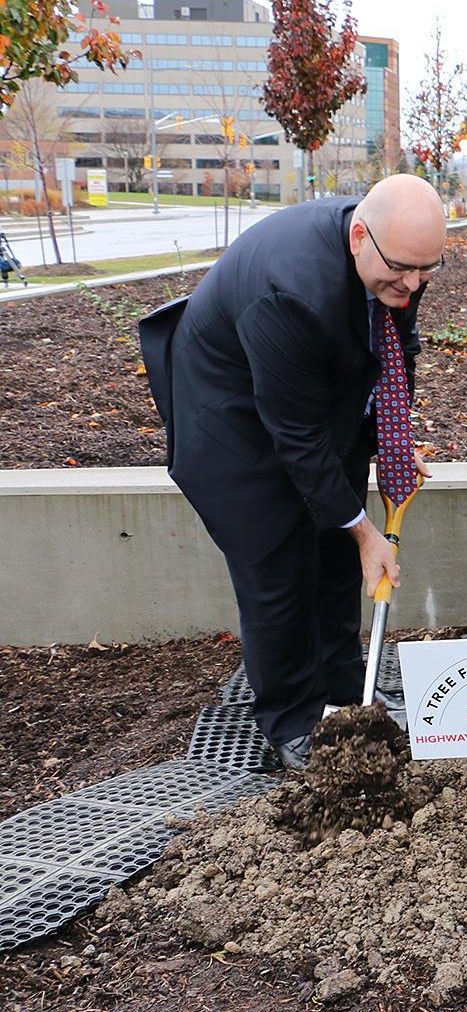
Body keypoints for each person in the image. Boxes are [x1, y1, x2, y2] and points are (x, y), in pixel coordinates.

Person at [139, 175, 447, 770]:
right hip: (234, 423)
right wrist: (365, 532)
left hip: (316, 399)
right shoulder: (290, 290)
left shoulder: (397, 257)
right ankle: (293, 720)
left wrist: (394, 438)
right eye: (403, 270)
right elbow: (298, 439)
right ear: (360, 236)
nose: (412, 285)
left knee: (336, 558)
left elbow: (395, 344)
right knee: (276, 569)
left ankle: (343, 692)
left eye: (425, 270)